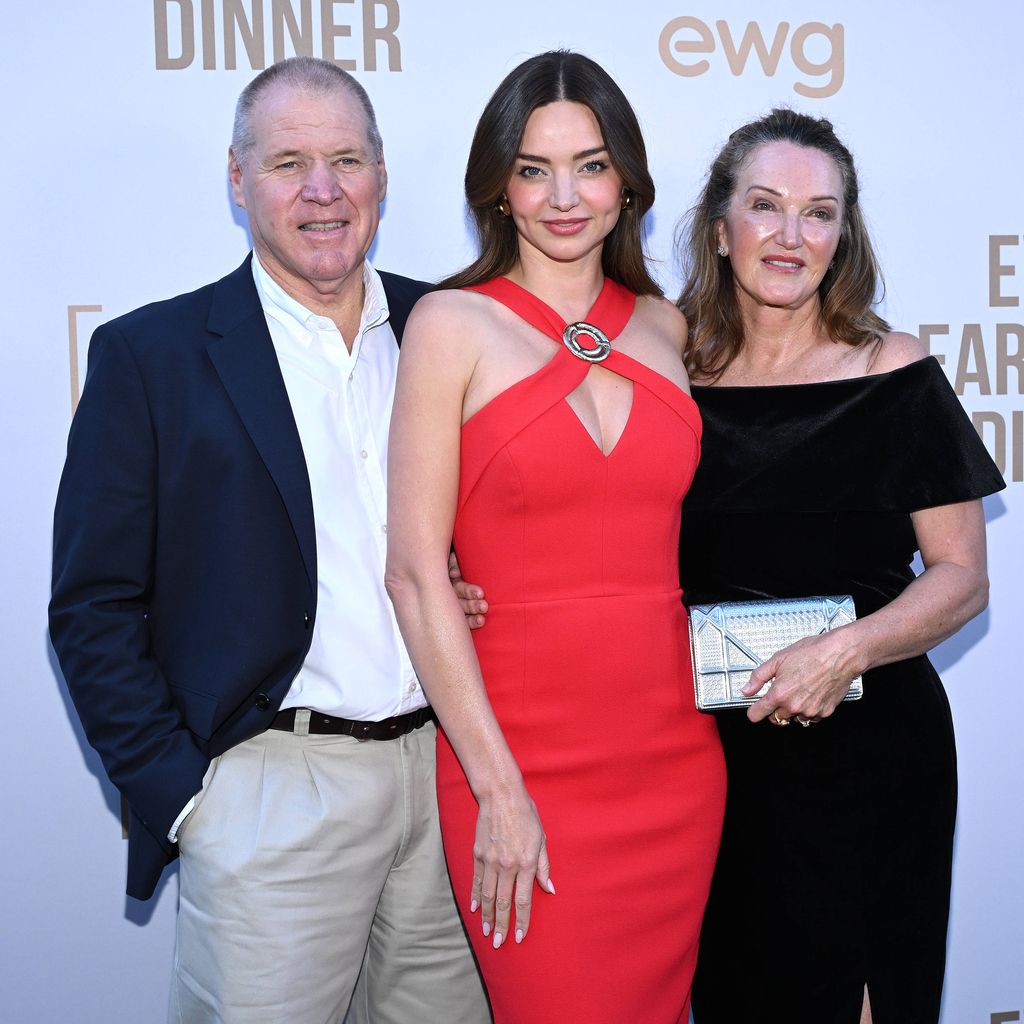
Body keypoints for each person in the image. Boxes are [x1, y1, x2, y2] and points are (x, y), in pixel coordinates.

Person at [48, 57, 488, 1024]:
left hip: (448, 778)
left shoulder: (453, 328)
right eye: (289, 162)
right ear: (237, 181)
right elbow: (92, 607)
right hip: (272, 794)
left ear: (381, 176)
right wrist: (188, 803)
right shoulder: (150, 357)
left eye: (346, 160)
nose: (322, 191)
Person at [385, 51, 726, 1023]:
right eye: (533, 168)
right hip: (517, 761)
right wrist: (497, 787)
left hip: (673, 759)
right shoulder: (448, 323)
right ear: (498, 188)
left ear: (627, 182)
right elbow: (414, 573)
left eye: (590, 164)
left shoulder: (671, 327)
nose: (563, 196)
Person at [675, 108, 1005, 1023]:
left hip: (865, 752)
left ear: (842, 236)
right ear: (719, 225)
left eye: (818, 213)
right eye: (765, 206)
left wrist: (845, 653)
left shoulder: (891, 370)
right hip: (711, 759)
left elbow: (960, 576)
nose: (789, 235)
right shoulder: (669, 374)